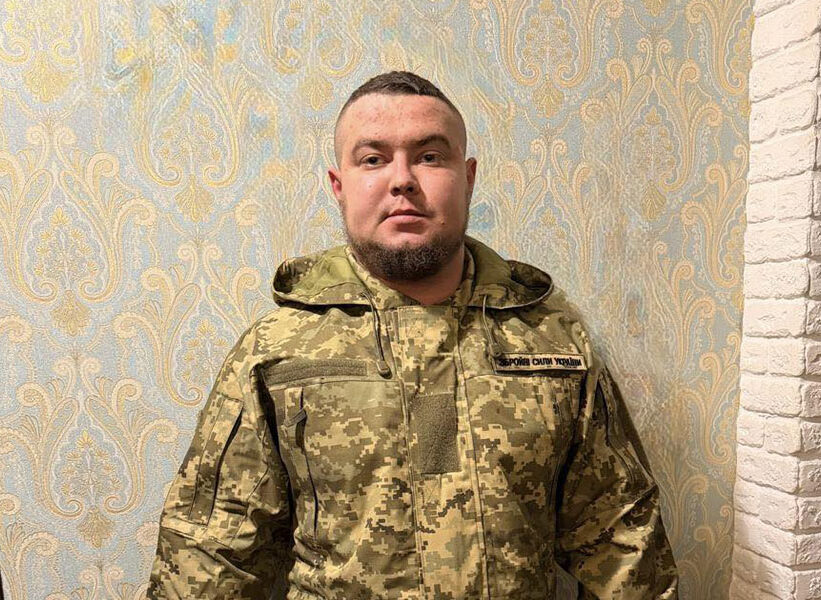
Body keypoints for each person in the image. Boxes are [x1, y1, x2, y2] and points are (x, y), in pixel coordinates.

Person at [147, 71, 678, 599]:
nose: (402, 179)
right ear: (339, 185)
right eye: (373, 159)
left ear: (467, 177)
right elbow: (207, 557)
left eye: (429, 156)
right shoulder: (277, 351)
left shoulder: (551, 342)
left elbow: (622, 544)